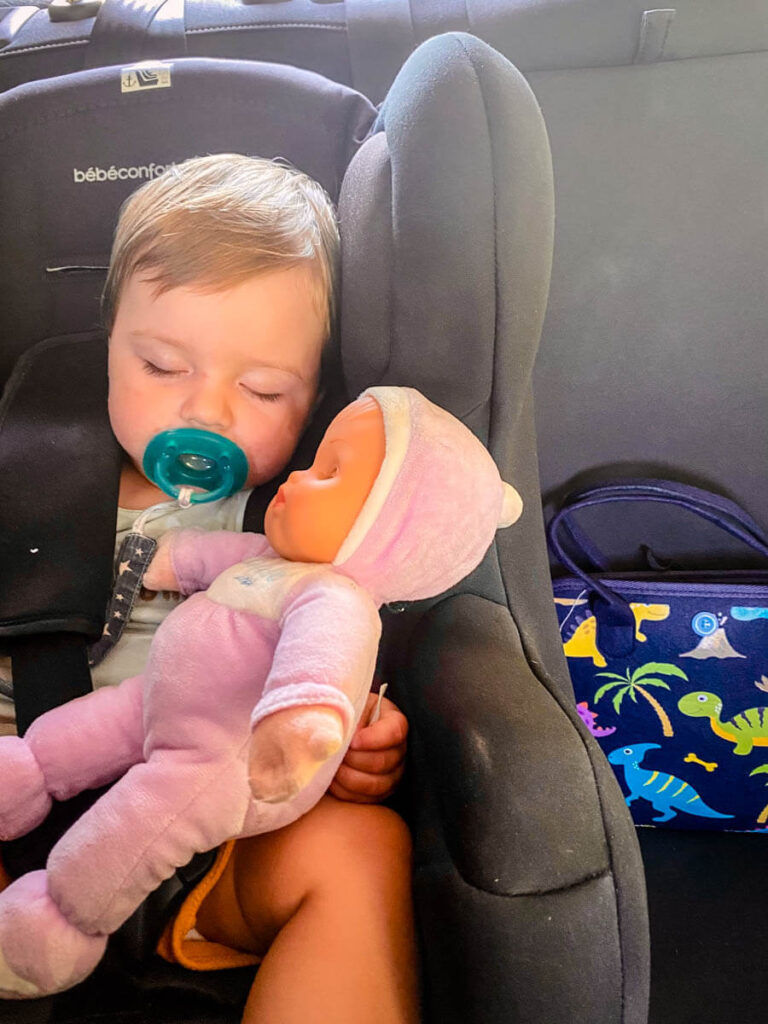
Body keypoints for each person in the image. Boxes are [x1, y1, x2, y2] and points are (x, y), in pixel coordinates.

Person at [0, 153, 419, 1023]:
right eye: (161, 367)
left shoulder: (301, 518)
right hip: (17, 798)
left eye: (263, 388)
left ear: (314, 400)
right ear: (107, 339)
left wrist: (347, 734)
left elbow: (330, 647)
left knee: (360, 851)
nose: (207, 414)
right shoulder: (22, 473)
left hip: (217, 835)